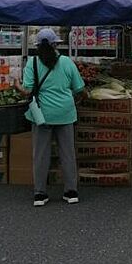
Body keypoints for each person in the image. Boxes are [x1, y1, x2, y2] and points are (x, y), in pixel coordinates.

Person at [21, 28, 85, 207]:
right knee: (68, 153)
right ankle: (71, 191)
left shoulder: (32, 63)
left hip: (42, 114)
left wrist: (17, 87)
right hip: (65, 113)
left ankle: (40, 194)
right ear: (56, 44)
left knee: (41, 155)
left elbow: (27, 89)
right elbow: (79, 88)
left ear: (37, 46)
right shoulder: (66, 62)